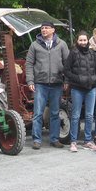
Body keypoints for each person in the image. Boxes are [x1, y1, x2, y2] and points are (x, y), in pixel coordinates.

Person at [26, 21, 69, 150]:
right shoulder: (35, 45)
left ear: (53, 30)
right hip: (40, 84)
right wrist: (30, 81)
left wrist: (66, 80)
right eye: (42, 28)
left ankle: (54, 139)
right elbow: (29, 64)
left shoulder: (62, 44)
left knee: (55, 113)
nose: (44, 30)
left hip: (56, 83)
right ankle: (37, 140)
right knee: (38, 113)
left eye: (46, 28)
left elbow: (67, 64)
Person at [64, 31, 96, 152]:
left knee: (90, 116)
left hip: (91, 88)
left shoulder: (92, 53)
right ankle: (73, 141)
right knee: (75, 116)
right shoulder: (73, 53)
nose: (83, 42)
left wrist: (94, 79)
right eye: (81, 40)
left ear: (88, 41)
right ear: (77, 41)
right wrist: (78, 79)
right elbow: (67, 70)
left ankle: (87, 141)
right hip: (77, 89)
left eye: (85, 40)